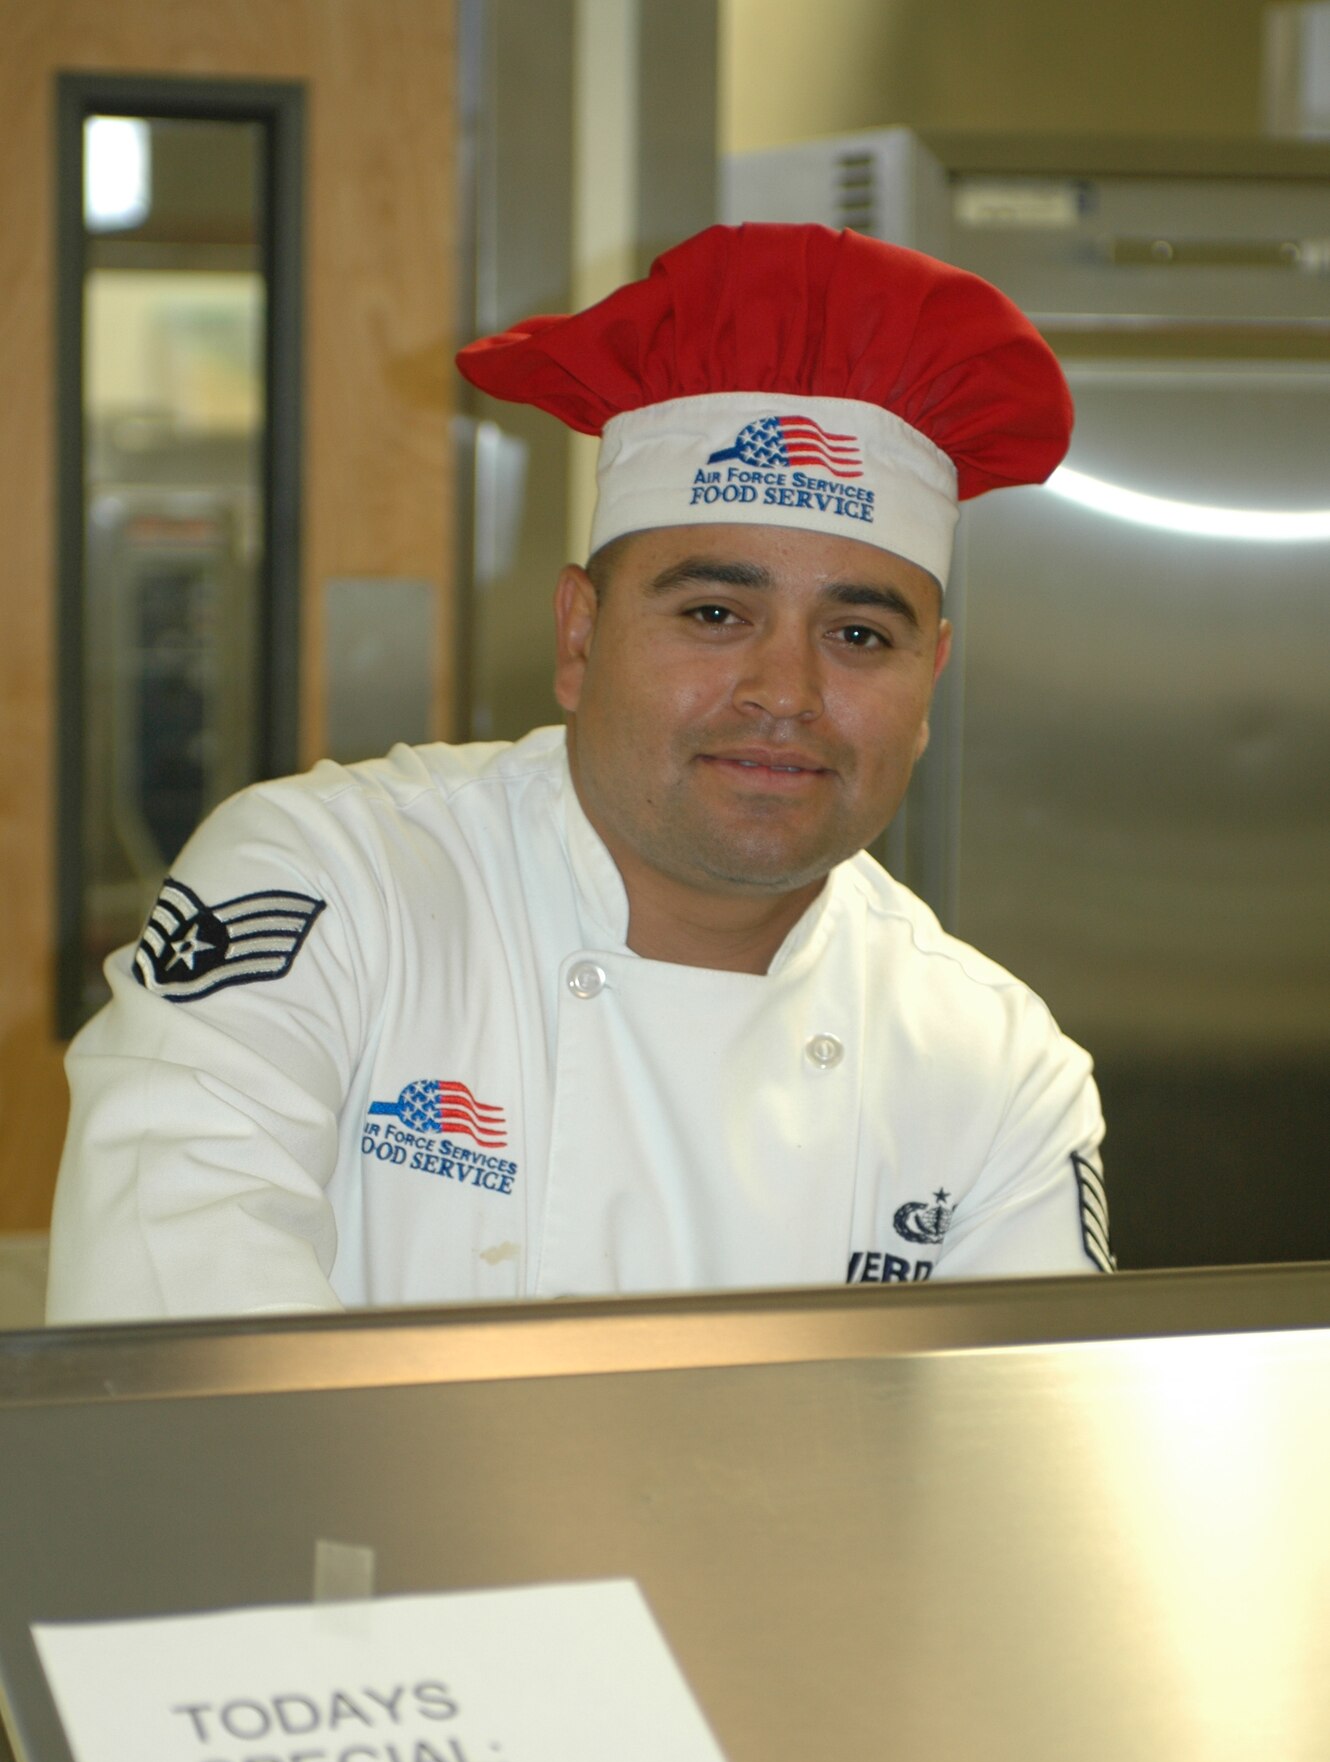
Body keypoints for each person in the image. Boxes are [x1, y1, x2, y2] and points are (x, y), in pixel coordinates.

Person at [45, 223, 1112, 1325]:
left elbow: (1015, 1451)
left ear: (929, 678)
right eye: (713, 613)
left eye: (858, 636)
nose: (783, 689)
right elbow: (175, 1348)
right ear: (579, 634)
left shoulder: (991, 1069)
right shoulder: (333, 888)